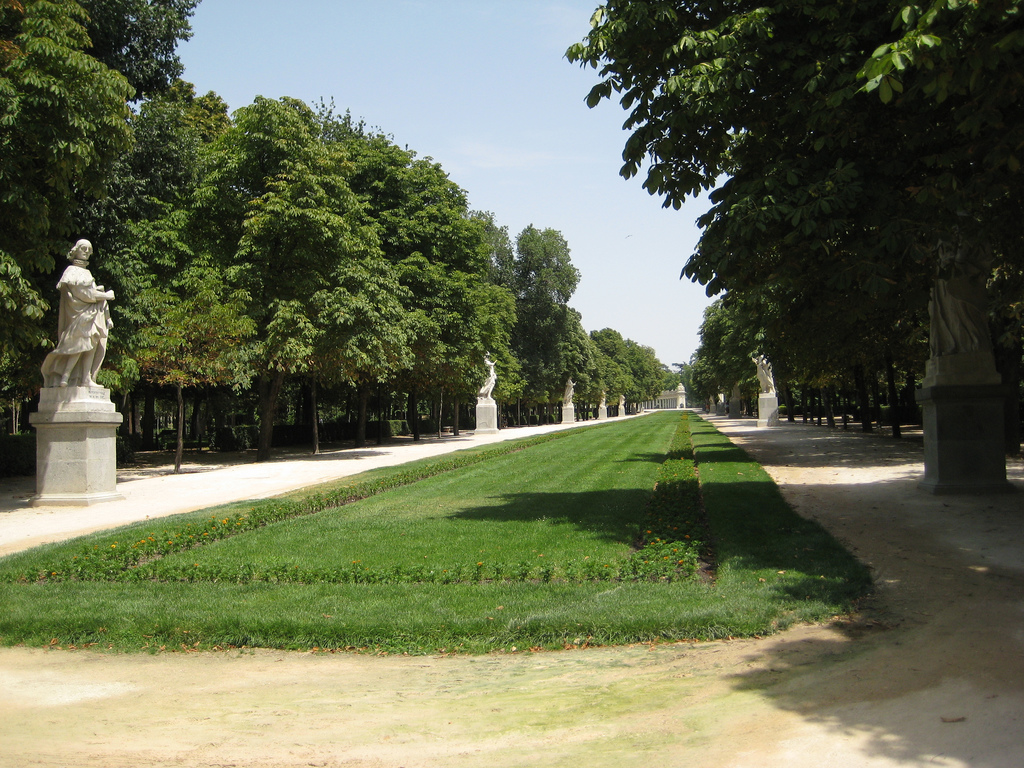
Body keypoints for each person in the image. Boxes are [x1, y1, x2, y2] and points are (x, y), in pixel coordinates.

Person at [40, 240, 115, 388]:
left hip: (91, 315)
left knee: (91, 345)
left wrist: (107, 315)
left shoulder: (86, 272)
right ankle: (65, 377)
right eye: (83, 248)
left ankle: (85, 378)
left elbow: (91, 294)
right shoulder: (71, 271)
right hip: (79, 316)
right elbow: (82, 294)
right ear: (76, 250)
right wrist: (106, 295)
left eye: (89, 249)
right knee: (78, 346)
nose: (86, 251)